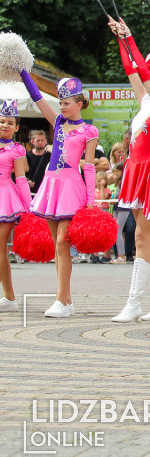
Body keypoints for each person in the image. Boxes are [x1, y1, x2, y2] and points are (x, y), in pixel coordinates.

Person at [109, 21, 150, 323]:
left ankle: (134, 302)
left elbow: (140, 72)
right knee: (146, 239)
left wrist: (131, 37)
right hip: (135, 170)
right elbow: (130, 69)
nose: (146, 76)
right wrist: (122, 40)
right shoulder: (146, 99)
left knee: (142, 237)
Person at [19, 70, 97, 317]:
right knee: (57, 246)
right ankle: (66, 299)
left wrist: (92, 202)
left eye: (66, 103)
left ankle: (61, 300)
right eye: (60, 103)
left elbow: (90, 166)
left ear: (79, 103)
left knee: (63, 241)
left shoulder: (89, 131)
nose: (62, 107)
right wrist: (23, 69)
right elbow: (37, 97)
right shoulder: (59, 122)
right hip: (52, 186)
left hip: (72, 187)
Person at [0, 100, 31, 311]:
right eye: (2, 122)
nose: (5, 126)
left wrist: (29, 210)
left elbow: (21, 179)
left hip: (6, 199)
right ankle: (9, 298)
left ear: (16, 127)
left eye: (10, 123)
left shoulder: (17, 149)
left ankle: (10, 298)